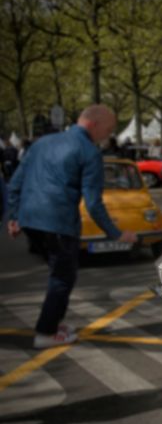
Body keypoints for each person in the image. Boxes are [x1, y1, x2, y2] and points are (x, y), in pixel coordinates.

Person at [5, 104, 138, 349]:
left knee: (58, 272)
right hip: (59, 221)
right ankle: (46, 332)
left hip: (30, 219)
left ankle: (53, 323)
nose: (108, 136)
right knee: (62, 277)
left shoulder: (41, 143)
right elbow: (94, 204)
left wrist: (13, 217)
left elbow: (15, 182)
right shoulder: (89, 152)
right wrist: (117, 233)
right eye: (108, 130)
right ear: (93, 125)